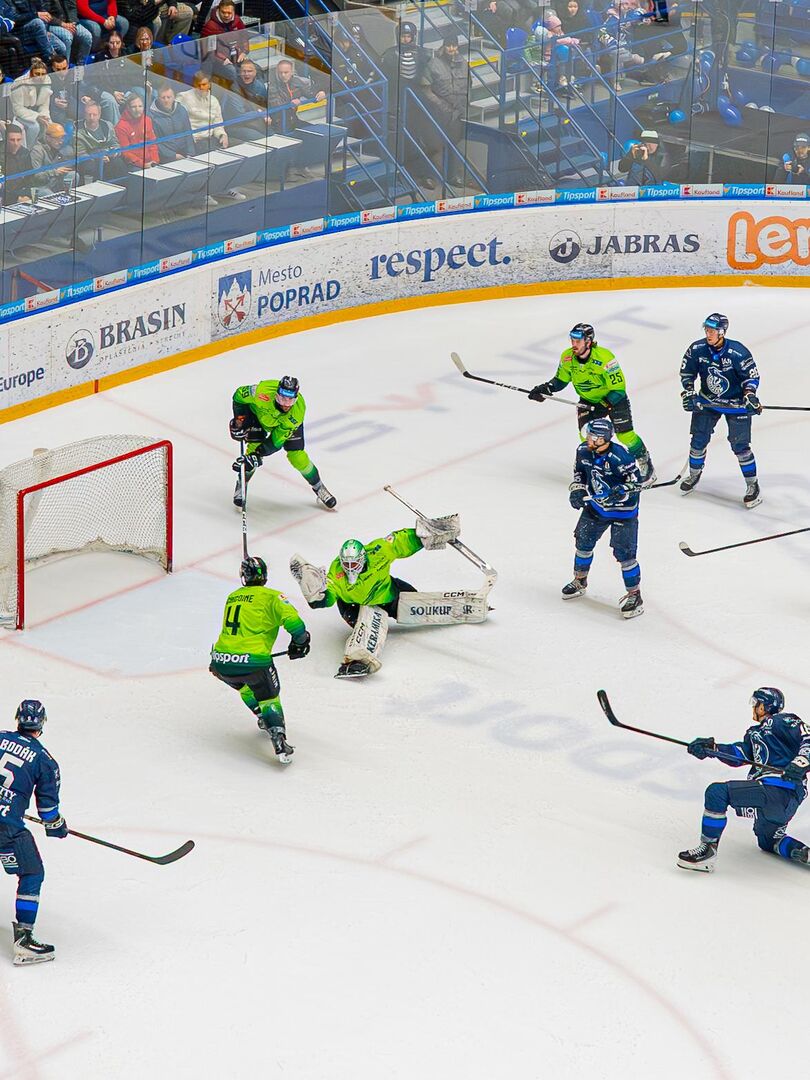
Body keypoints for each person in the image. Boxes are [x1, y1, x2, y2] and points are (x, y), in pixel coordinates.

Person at [289, 513, 466, 678]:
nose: (350, 569)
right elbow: (327, 598)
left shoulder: (378, 551)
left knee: (416, 605)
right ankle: (357, 660)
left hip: (387, 593)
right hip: (355, 607)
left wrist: (427, 533)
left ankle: (460, 607)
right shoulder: (336, 574)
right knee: (370, 624)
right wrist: (314, 595)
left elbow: (400, 542)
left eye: (354, 564)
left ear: (363, 558)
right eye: (346, 564)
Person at [678, 688, 810, 873]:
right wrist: (713, 749)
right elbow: (740, 754)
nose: (754, 707)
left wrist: (801, 762)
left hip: (779, 791)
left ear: (764, 706)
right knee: (768, 841)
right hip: (777, 801)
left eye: (756, 703)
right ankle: (803, 853)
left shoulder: (782, 721)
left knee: (717, 792)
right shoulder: (754, 733)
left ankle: (707, 852)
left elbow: (808, 738)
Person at [210, 556, 310, 764]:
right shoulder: (272, 597)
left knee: (246, 687)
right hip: (253, 663)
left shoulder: (233, 597)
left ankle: (263, 717)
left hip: (221, 662)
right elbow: (295, 624)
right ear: (264, 576)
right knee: (268, 697)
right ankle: (279, 739)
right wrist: (300, 642)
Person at [529, 322, 656, 483]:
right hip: (588, 401)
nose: (574, 344)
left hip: (613, 400)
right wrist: (546, 388)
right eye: (572, 340)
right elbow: (561, 380)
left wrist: (604, 404)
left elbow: (619, 389)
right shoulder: (567, 357)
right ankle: (596, 468)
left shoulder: (605, 358)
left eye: (578, 341)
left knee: (625, 435)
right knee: (586, 436)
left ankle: (644, 461)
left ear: (588, 341)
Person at [0, 701, 67, 965]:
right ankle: (24, 939)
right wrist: (57, 826)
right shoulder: (45, 760)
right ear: (42, 724)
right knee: (32, 873)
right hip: (7, 827)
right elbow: (48, 811)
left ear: (18, 719)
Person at [562, 417, 644, 618]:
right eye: (589, 435)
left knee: (625, 554)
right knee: (583, 542)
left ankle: (635, 595)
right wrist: (578, 489)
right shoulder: (583, 450)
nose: (589, 440)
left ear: (604, 439)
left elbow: (637, 483)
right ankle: (580, 580)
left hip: (623, 513)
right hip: (596, 508)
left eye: (594, 437)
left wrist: (623, 491)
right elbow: (579, 472)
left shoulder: (621, 457)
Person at [678, 312, 762, 508]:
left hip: (735, 404)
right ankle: (694, 475)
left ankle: (752, 485)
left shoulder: (738, 352)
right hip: (708, 402)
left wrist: (750, 395)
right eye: (707, 330)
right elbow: (687, 372)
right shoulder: (697, 349)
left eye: (712, 331)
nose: (708, 334)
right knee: (698, 440)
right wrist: (689, 392)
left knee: (740, 446)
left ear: (722, 332)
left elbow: (751, 377)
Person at [229, 375, 337, 511]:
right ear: (276, 395)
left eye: (290, 400)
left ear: (295, 398)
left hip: (283, 426)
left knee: (297, 457)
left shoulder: (297, 413)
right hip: (257, 417)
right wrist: (240, 420)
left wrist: (257, 455)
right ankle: (242, 483)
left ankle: (319, 486)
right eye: (282, 399)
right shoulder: (262, 391)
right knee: (252, 449)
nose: (285, 404)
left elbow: (276, 441)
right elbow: (238, 396)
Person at [419, 28, 467, 185]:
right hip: (437, 112)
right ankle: (427, 177)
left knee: (453, 145)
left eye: (454, 45)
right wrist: (439, 104)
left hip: (456, 113)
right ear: (444, 46)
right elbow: (425, 88)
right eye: (448, 45)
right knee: (432, 145)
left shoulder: (463, 64)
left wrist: (462, 106)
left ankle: (452, 176)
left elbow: (469, 86)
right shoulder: (434, 63)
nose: (451, 49)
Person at [266, 57, 326, 132]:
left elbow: (310, 93)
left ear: (291, 72)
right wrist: (291, 103)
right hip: (279, 123)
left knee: (318, 131)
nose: (283, 75)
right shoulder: (272, 87)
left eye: (286, 72)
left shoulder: (297, 81)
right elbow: (277, 106)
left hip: (293, 120)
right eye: (280, 73)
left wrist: (321, 92)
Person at [8, 57, 51, 150]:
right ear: (31, 74)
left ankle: (41, 147)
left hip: (36, 112)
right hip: (19, 114)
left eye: (43, 74)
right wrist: (37, 116)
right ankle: (28, 150)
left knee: (49, 123)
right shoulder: (19, 83)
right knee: (34, 127)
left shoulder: (47, 81)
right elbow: (17, 108)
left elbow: (44, 105)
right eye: (37, 74)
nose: (40, 77)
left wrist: (44, 116)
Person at [200, 0, 248, 82]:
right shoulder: (210, 26)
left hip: (236, 56)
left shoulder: (238, 21)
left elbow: (244, 38)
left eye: (229, 13)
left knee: (253, 68)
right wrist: (223, 59)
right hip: (217, 61)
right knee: (232, 72)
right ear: (219, 10)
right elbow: (209, 51)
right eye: (223, 12)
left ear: (233, 11)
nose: (226, 15)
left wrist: (244, 52)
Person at [75, 97, 122, 179]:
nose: (92, 117)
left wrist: (113, 153)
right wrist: (98, 158)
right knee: (90, 166)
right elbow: (80, 153)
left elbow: (115, 144)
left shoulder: (108, 126)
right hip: (90, 161)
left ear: (99, 115)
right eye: (89, 114)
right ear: (84, 114)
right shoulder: (77, 130)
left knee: (119, 163)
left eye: (94, 114)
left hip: (108, 158)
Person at [148, 82, 193, 163]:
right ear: (158, 98)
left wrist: (190, 154)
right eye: (163, 97)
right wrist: (172, 156)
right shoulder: (151, 116)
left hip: (184, 152)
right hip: (166, 157)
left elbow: (188, 133)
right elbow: (154, 142)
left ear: (174, 97)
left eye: (169, 97)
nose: (166, 100)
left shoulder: (181, 109)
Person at [115, 89, 158, 167]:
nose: (137, 110)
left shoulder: (147, 120)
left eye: (140, 106)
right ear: (128, 108)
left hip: (151, 162)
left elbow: (152, 143)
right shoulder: (121, 127)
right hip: (133, 165)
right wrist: (143, 164)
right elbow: (126, 152)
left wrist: (155, 160)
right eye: (134, 107)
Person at [29, 120, 76, 193]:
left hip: (54, 181)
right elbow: (36, 176)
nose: (61, 141)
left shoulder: (58, 148)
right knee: (46, 192)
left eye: (62, 138)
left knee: (73, 175)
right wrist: (55, 172)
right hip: (41, 186)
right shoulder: (37, 150)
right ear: (48, 138)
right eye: (57, 138)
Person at [1, 123, 33, 202]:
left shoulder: (25, 153)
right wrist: (16, 199)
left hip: (21, 193)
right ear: (5, 139)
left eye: (19, 140)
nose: (16, 144)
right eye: (12, 140)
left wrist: (27, 195)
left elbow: (29, 178)